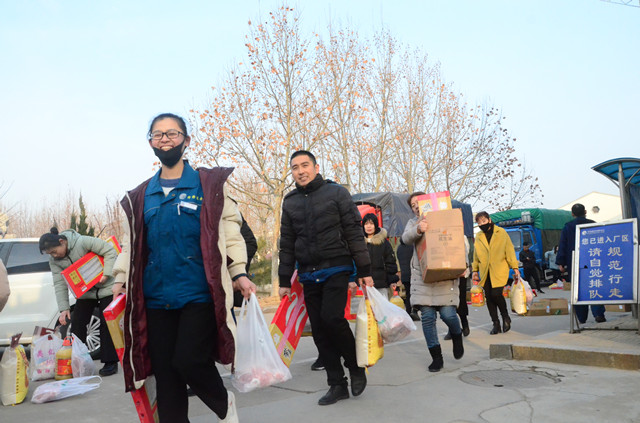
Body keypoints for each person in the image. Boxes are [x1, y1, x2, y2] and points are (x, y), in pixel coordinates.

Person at [117, 112, 256, 423]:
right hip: (156, 297)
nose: (165, 139)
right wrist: (121, 278)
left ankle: (223, 403)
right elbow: (132, 243)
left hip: (198, 294)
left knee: (189, 360)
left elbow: (229, 231)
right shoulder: (141, 195)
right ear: (151, 143)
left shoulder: (208, 185)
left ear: (186, 140)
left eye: (172, 133)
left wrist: (239, 272)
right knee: (166, 375)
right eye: (158, 134)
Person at [278, 150, 373, 406]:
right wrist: (284, 280)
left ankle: (355, 367)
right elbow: (286, 243)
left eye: (305, 165)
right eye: (295, 167)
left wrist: (364, 270)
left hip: (336, 267)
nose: (301, 171)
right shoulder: (290, 202)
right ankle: (337, 384)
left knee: (332, 319)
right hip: (308, 273)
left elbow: (353, 232)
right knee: (319, 330)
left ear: (316, 167)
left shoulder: (337, 193)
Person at [38, 227, 120, 376]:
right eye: (50, 254)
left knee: (106, 323)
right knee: (77, 324)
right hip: (85, 292)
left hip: (106, 287)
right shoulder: (54, 261)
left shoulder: (82, 242)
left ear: (62, 241)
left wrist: (107, 274)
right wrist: (64, 308)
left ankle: (110, 363)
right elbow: (59, 283)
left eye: (54, 251)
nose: (54, 255)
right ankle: (79, 361)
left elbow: (109, 250)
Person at [402, 192, 466, 372]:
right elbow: (405, 238)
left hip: (444, 277)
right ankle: (437, 358)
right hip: (422, 279)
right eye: (412, 205)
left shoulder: (445, 217)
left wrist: (464, 266)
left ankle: (457, 334)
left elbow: (459, 243)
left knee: (448, 315)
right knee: (428, 319)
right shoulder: (412, 223)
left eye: (418, 202)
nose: (416, 206)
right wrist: (418, 229)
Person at [556, 203, 606, 324]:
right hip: (593, 261)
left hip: (575, 263)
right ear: (585, 212)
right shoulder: (593, 224)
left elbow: (563, 245)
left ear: (572, 214)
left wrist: (561, 263)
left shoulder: (568, 227)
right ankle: (598, 314)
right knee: (594, 285)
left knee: (578, 289)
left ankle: (582, 317)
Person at [472, 212, 521, 335]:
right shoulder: (479, 236)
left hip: (499, 269)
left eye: (483, 221)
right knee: (489, 297)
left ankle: (505, 317)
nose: (481, 224)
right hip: (485, 271)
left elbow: (509, 250)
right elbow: (476, 255)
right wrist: (475, 270)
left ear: (489, 220)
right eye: (479, 222)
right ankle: (495, 323)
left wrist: (515, 267)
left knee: (496, 294)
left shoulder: (501, 233)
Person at [362, 213, 399, 299]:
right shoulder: (360, 242)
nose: (369, 226)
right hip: (363, 284)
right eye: (366, 224)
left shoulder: (383, 242)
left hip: (381, 284)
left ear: (375, 225)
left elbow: (390, 262)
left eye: (371, 223)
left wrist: (392, 280)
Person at [396, 239, 420, 321]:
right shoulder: (412, 247)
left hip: (404, 275)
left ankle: (408, 312)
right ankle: (413, 312)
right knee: (414, 294)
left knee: (408, 294)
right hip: (413, 274)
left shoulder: (399, 248)